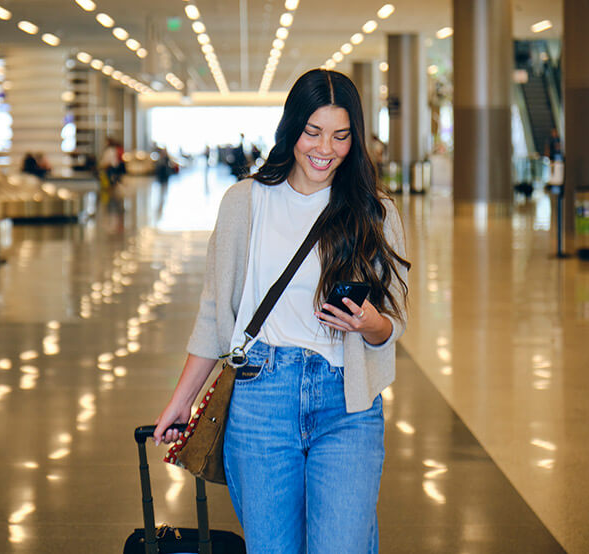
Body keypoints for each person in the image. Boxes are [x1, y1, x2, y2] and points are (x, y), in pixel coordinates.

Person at [153, 69, 411, 553]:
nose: (325, 148)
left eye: (340, 135)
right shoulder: (245, 202)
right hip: (261, 398)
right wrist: (181, 399)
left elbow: (391, 324)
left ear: (355, 138)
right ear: (291, 129)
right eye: (312, 132)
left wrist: (369, 323)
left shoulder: (375, 211)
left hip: (347, 403)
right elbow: (215, 312)